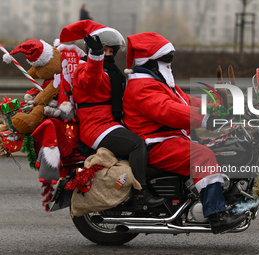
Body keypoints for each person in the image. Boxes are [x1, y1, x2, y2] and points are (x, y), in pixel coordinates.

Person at [122, 32, 246, 234]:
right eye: (166, 59)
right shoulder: (142, 86)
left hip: (171, 138)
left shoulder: (159, 83)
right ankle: (216, 215)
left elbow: (187, 102)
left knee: (219, 147)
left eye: (171, 58)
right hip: (156, 143)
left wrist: (220, 108)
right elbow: (168, 110)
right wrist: (205, 119)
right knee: (203, 156)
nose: (170, 64)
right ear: (150, 62)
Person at [57, 21, 165, 208]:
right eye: (103, 51)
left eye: (109, 51)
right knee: (136, 145)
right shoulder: (85, 68)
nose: (107, 54)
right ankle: (141, 193)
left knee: (151, 140)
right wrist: (95, 56)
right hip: (96, 126)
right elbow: (92, 81)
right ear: (92, 50)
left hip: (110, 122)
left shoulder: (112, 70)